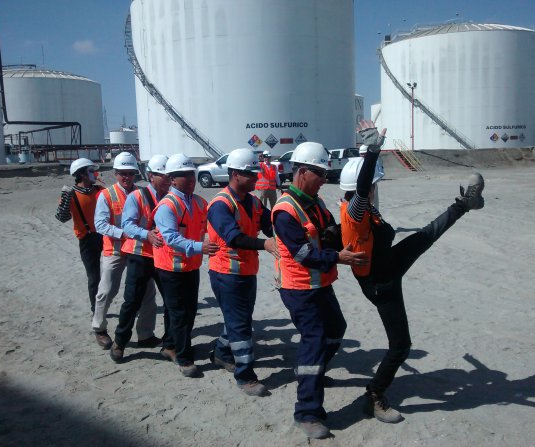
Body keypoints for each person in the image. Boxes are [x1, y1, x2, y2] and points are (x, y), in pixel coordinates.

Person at [340, 120, 485, 423]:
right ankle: (374, 397)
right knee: (401, 346)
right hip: (380, 283)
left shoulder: (367, 208)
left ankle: (464, 204)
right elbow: (364, 186)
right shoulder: (355, 211)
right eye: (373, 184)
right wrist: (372, 152)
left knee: (425, 236)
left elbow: (367, 190)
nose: (375, 187)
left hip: (387, 264)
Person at [271, 142, 368, 439]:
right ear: (301, 172)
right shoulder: (285, 210)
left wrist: (352, 228)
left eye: (326, 173)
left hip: (321, 283)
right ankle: (307, 412)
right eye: (319, 173)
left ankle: (310, 373)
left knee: (336, 328)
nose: (324, 179)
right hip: (299, 288)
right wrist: (338, 256)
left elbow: (330, 234)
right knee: (313, 341)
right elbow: (302, 254)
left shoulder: (317, 202)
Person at [206, 148, 280, 396]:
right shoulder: (220, 205)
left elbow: (270, 224)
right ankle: (245, 375)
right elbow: (234, 238)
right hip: (226, 273)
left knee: (238, 319)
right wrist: (265, 244)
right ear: (235, 174)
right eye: (250, 174)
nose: (256, 178)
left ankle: (221, 352)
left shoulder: (253, 201)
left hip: (247, 270)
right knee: (240, 324)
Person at [153, 154, 219, 377]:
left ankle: (170, 345)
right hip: (170, 267)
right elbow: (170, 238)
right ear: (172, 179)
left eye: (192, 174)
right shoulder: (167, 206)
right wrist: (201, 246)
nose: (190, 179)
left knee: (187, 310)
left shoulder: (199, 202)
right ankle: (183, 357)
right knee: (180, 313)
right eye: (184, 175)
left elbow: (209, 225)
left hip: (190, 266)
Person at [91, 152, 162, 350]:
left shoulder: (143, 193)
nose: (126, 177)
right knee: (106, 291)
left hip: (139, 250)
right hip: (114, 249)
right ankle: (99, 328)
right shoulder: (106, 195)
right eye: (122, 173)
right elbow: (100, 225)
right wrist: (125, 233)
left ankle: (145, 334)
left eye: (130, 173)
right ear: (115, 173)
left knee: (148, 294)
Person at [109, 155, 172, 362]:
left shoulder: (172, 197)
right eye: (163, 175)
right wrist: (147, 235)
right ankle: (120, 342)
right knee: (132, 301)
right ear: (151, 176)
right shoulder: (137, 196)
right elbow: (127, 225)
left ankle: (169, 343)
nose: (168, 179)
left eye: (169, 175)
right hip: (139, 254)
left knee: (171, 300)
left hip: (163, 256)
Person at [55, 158, 103, 314]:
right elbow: (62, 217)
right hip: (87, 239)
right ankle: (96, 308)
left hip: (104, 236)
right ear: (82, 174)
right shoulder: (71, 194)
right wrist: (66, 199)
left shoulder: (99, 191)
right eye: (91, 171)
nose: (95, 173)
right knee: (94, 277)